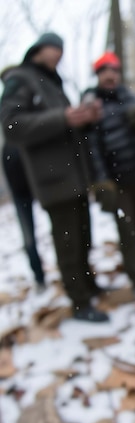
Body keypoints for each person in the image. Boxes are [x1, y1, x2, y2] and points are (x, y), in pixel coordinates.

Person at [0, 32, 108, 322]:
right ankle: (80, 303)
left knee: (84, 238)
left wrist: (84, 119)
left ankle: (88, 285)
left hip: (75, 176)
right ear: (39, 49)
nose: (59, 54)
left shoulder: (52, 83)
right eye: (54, 48)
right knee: (69, 244)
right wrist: (63, 118)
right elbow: (11, 125)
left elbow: (66, 127)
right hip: (53, 179)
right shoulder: (21, 79)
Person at [84, 51, 135, 300]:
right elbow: (91, 145)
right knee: (127, 230)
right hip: (117, 182)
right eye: (104, 71)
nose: (110, 75)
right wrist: (101, 179)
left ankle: (132, 258)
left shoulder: (132, 99)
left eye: (114, 70)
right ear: (98, 76)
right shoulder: (92, 105)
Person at [1, 66, 45, 290]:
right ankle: (38, 276)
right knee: (28, 236)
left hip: (41, 185)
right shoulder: (9, 126)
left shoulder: (31, 117)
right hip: (20, 191)